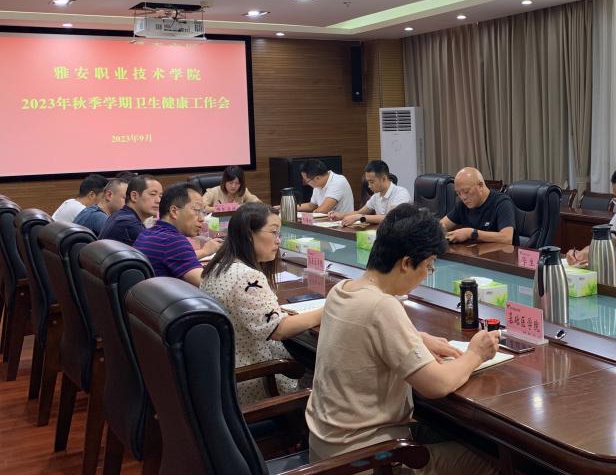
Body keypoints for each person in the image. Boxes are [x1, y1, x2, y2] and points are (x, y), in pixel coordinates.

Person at [306, 204, 512, 475]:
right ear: (406, 263)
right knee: (491, 468)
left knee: (444, 433)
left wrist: (418, 338)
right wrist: (476, 354)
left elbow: (367, 333)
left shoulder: (343, 290)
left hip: (328, 455)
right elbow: (435, 385)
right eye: (428, 266)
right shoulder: (383, 307)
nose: (427, 274)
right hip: (365, 470)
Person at [201, 202, 321, 403]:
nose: (278, 240)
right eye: (273, 232)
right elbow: (279, 330)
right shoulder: (246, 277)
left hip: (225, 372)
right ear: (250, 234)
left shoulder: (218, 266)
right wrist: (328, 309)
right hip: (257, 378)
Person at [133, 182, 218, 286]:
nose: (202, 218)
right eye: (197, 210)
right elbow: (208, 285)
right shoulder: (172, 241)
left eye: (203, 212)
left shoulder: (147, 233)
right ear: (174, 211)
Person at [439, 167, 515, 244]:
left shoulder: (502, 202)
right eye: (458, 193)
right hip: (475, 250)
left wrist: (471, 233)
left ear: (480, 186)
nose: (463, 197)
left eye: (466, 191)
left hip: (502, 251)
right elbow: (439, 227)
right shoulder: (463, 205)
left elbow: (507, 238)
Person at [330, 160, 411, 226]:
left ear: (384, 179)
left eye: (372, 182)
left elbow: (390, 218)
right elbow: (359, 212)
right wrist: (340, 215)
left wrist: (360, 217)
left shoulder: (401, 193)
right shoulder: (376, 196)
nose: (369, 186)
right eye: (368, 182)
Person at [99, 174, 163, 245]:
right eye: (153, 194)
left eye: (160, 196)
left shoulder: (121, 216)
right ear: (134, 196)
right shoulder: (128, 223)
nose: (158, 200)